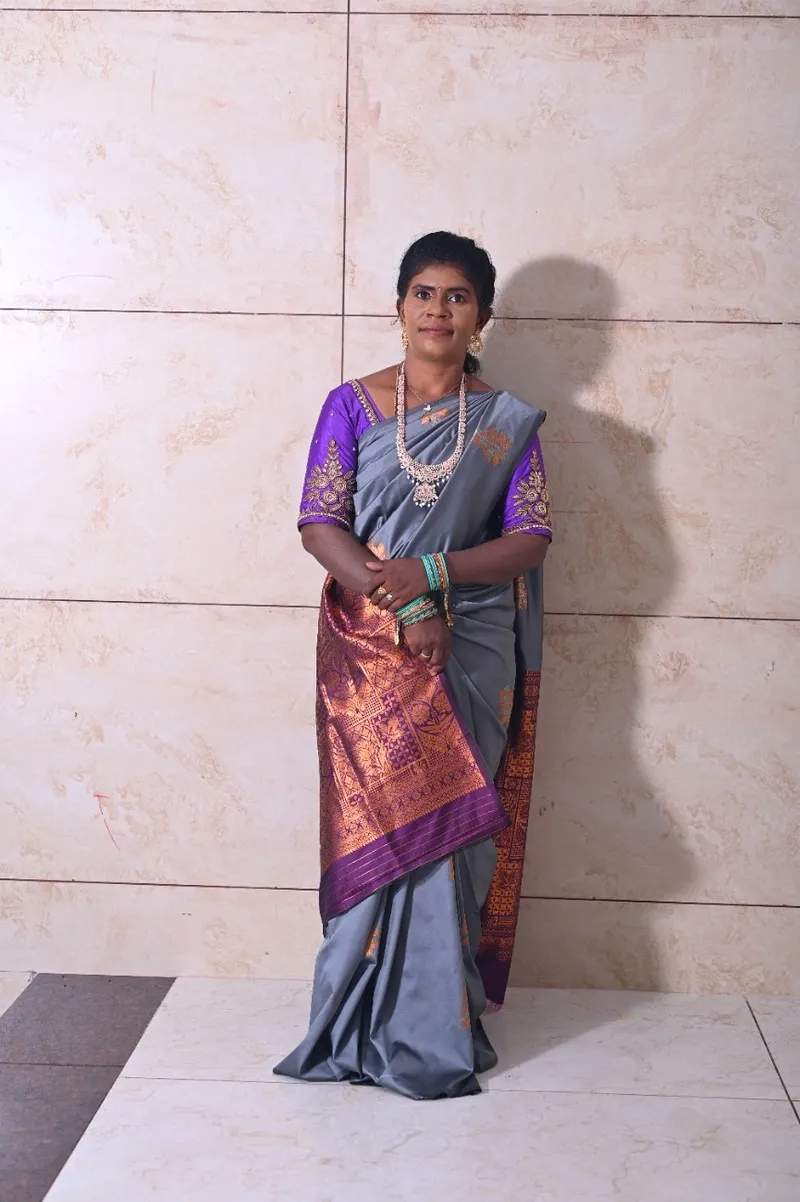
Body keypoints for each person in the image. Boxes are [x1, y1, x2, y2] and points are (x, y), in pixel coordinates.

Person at [275, 231, 552, 1100]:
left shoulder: (506, 423)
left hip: (473, 643)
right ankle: (350, 1017)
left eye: (457, 296)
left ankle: (438, 1022)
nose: (439, 309)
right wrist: (405, 601)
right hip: (371, 649)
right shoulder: (351, 406)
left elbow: (529, 539)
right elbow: (321, 522)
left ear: (482, 316)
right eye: (424, 293)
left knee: (455, 834)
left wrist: (434, 573)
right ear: (399, 307)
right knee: (379, 818)